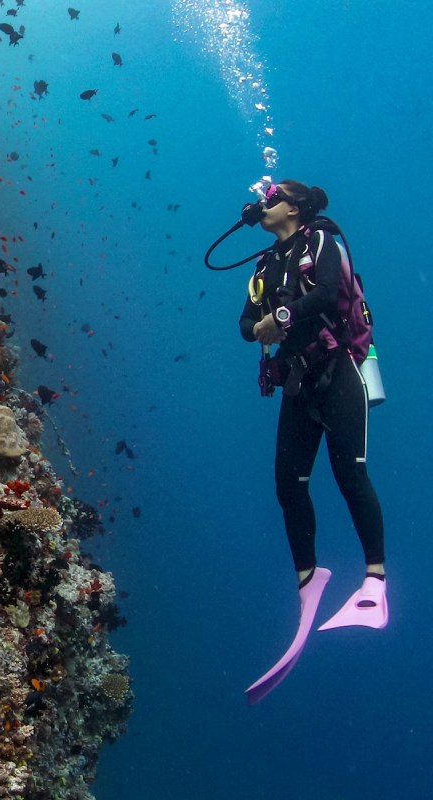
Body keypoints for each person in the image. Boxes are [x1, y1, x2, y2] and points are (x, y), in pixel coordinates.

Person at [240, 180, 387, 702]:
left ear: (295, 206)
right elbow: (243, 324)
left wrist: (280, 318)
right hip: (298, 381)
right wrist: (258, 327)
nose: (264, 205)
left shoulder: (322, 240)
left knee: (350, 474)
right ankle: (309, 579)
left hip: (338, 370)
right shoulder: (263, 267)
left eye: (272, 197)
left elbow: (326, 292)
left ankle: (374, 580)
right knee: (287, 483)